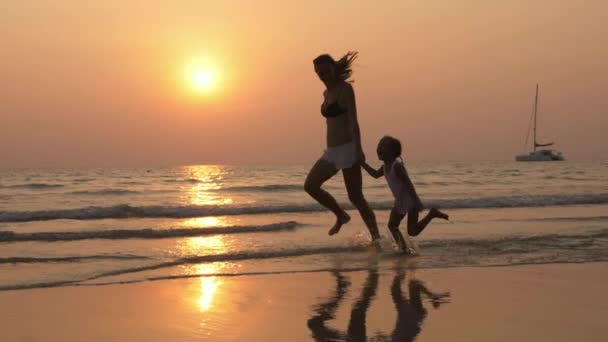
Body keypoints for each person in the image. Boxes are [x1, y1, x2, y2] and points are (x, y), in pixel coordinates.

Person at [304, 52, 380, 242]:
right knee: (311, 186)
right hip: (332, 152)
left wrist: (358, 148)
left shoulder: (345, 89)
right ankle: (341, 215)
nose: (323, 76)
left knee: (356, 198)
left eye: (326, 71)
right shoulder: (326, 93)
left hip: (348, 149)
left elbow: (353, 121)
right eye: (319, 73)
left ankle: (376, 239)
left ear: (334, 69)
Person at [362, 135, 448, 253]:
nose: (379, 148)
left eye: (383, 146)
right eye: (379, 146)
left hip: (410, 200)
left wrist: (416, 201)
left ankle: (431, 214)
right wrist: (363, 164)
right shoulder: (385, 167)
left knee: (412, 231)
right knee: (392, 226)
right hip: (399, 201)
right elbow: (375, 175)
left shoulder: (396, 166)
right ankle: (403, 249)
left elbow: (408, 183)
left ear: (392, 152)